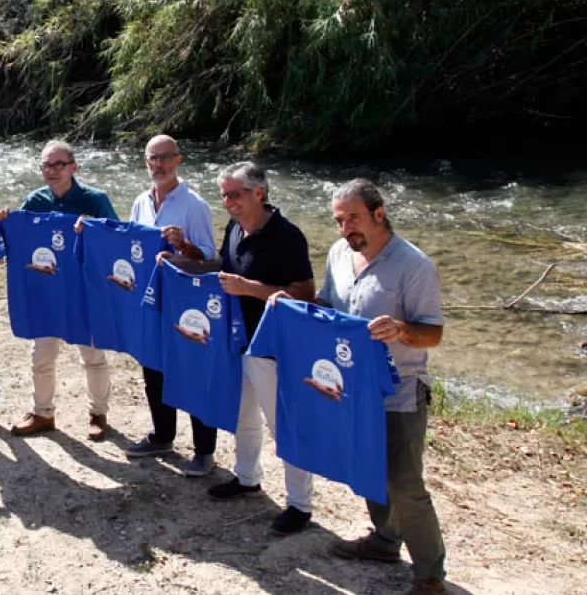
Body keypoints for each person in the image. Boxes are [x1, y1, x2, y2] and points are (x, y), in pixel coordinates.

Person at [271, 179, 447, 595]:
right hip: (350, 389)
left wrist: (401, 330)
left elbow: (433, 334)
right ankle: (385, 541)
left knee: (405, 484)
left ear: (379, 214)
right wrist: (292, 306)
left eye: (353, 218)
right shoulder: (338, 254)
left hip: (401, 390)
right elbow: (329, 308)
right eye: (338, 220)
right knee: (367, 470)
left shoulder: (413, 265)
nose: (345, 227)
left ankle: (430, 575)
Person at [199, 162, 318, 535]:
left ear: (259, 193)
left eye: (235, 194)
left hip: (276, 343)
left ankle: (300, 504)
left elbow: (305, 295)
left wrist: (250, 288)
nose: (228, 201)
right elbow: (225, 268)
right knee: (242, 416)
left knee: (284, 423)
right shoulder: (235, 228)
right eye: (224, 195)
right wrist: (186, 257)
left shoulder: (287, 235)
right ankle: (247, 478)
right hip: (237, 338)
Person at [0, 140, 119, 441]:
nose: (51, 171)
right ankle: (42, 413)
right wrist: (0, 222)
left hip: (84, 292)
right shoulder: (35, 201)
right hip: (47, 292)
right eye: (46, 165)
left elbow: (115, 239)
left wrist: (94, 227)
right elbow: (15, 240)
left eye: (58, 164)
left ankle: (98, 414)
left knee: (92, 356)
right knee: (41, 356)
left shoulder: (95, 199)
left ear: (73, 167)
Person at [124, 135, 217, 472]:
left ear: (178, 160)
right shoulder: (140, 202)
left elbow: (211, 260)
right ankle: (162, 436)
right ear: (146, 162)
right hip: (150, 298)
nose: (159, 164)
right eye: (153, 158)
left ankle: (204, 450)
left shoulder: (194, 205)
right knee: (153, 369)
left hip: (185, 301)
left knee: (191, 371)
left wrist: (186, 248)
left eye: (165, 157)